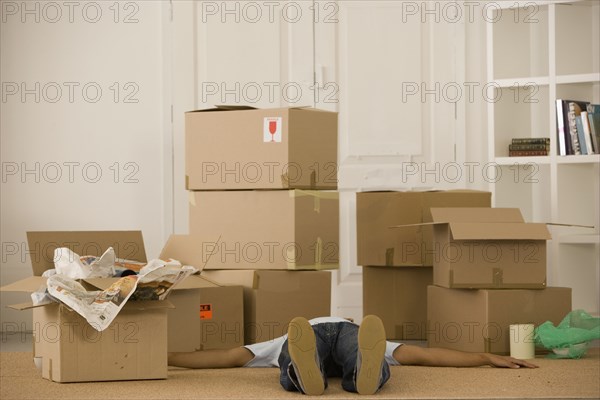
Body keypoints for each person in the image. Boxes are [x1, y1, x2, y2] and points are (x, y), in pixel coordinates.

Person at [168, 315, 538, 396]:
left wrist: (164, 357)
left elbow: (230, 357)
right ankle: (364, 374)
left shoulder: (292, 332)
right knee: (368, 354)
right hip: (346, 335)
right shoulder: (353, 329)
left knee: (290, 355)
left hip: (305, 337)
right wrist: (484, 357)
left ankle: (300, 371)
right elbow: (424, 356)